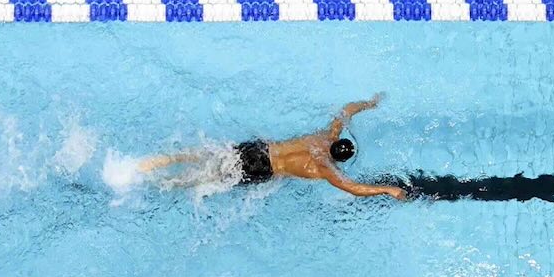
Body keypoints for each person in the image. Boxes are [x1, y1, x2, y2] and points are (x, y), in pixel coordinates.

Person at [139, 95, 405, 199]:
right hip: (263, 170)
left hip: (259, 150)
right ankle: (164, 184)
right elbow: (354, 188)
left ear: (336, 141)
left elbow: (346, 110)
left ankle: (161, 161)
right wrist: (387, 189)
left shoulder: (325, 136)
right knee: (207, 180)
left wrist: (369, 103)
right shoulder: (326, 168)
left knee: (210, 155)